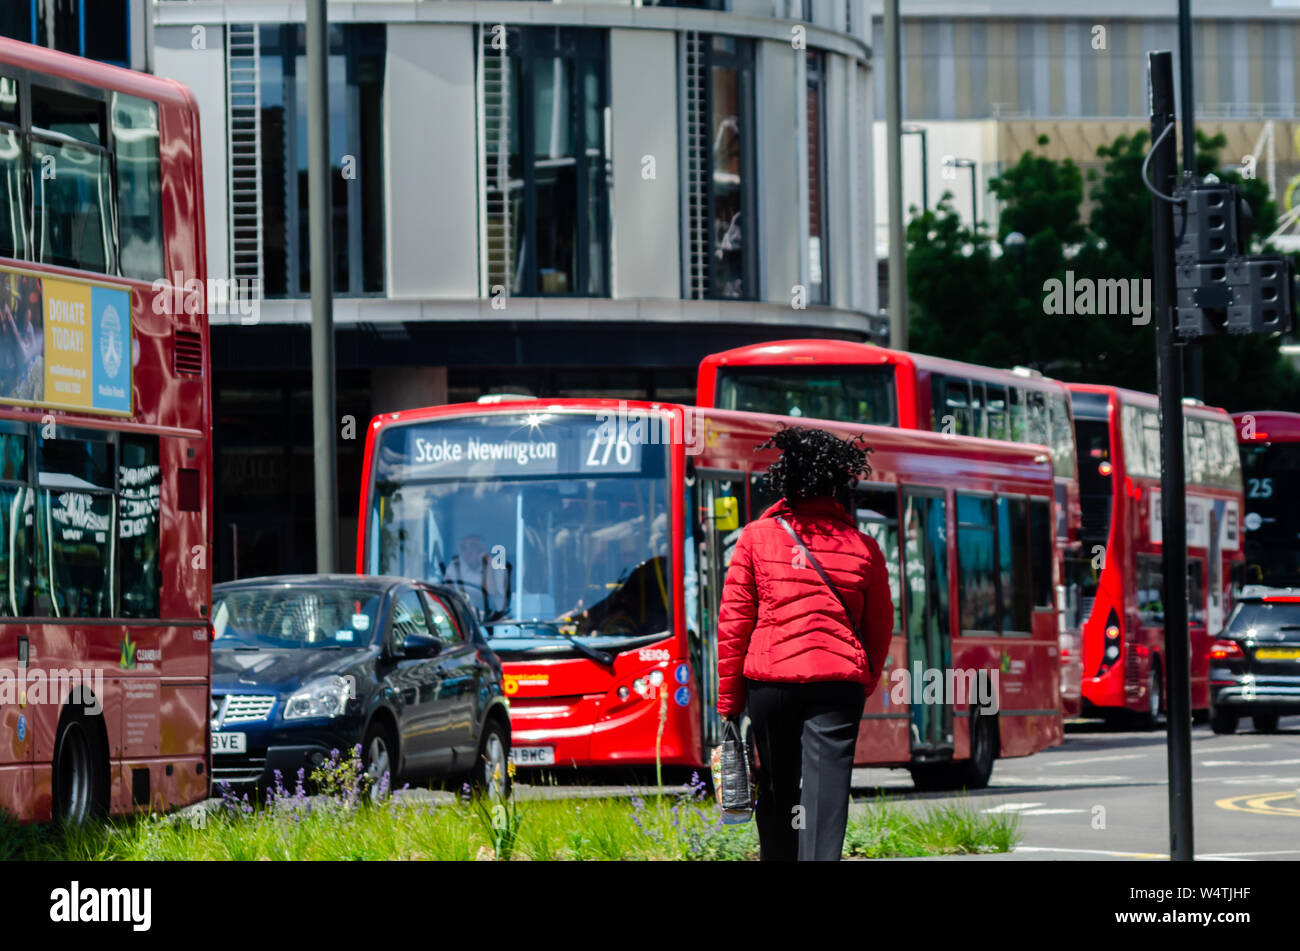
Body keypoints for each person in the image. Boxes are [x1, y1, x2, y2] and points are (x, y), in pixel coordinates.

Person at [716, 426, 894, 861]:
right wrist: (863, 679)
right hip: (837, 685)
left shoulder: (756, 538)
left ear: (786, 483)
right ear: (837, 484)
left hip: (771, 682)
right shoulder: (864, 547)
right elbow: (880, 626)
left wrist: (728, 701)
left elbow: (734, 623)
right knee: (826, 795)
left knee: (776, 786)